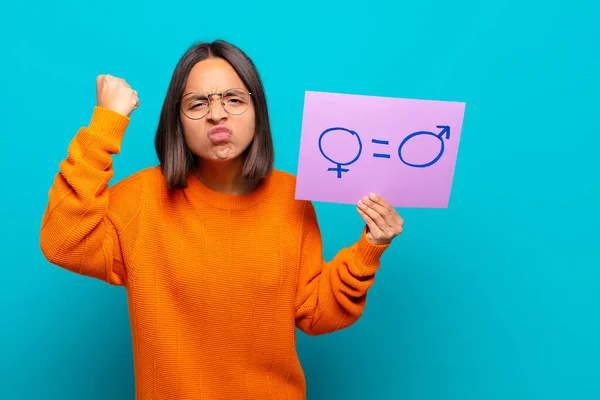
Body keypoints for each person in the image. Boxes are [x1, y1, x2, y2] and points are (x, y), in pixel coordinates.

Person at [39, 39, 404, 400]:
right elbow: (62, 242)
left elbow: (315, 313)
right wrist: (107, 123)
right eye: (197, 103)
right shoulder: (142, 199)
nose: (217, 114)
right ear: (176, 121)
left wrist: (371, 246)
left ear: (257, 110)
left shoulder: (291, 197)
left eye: (233, 99)